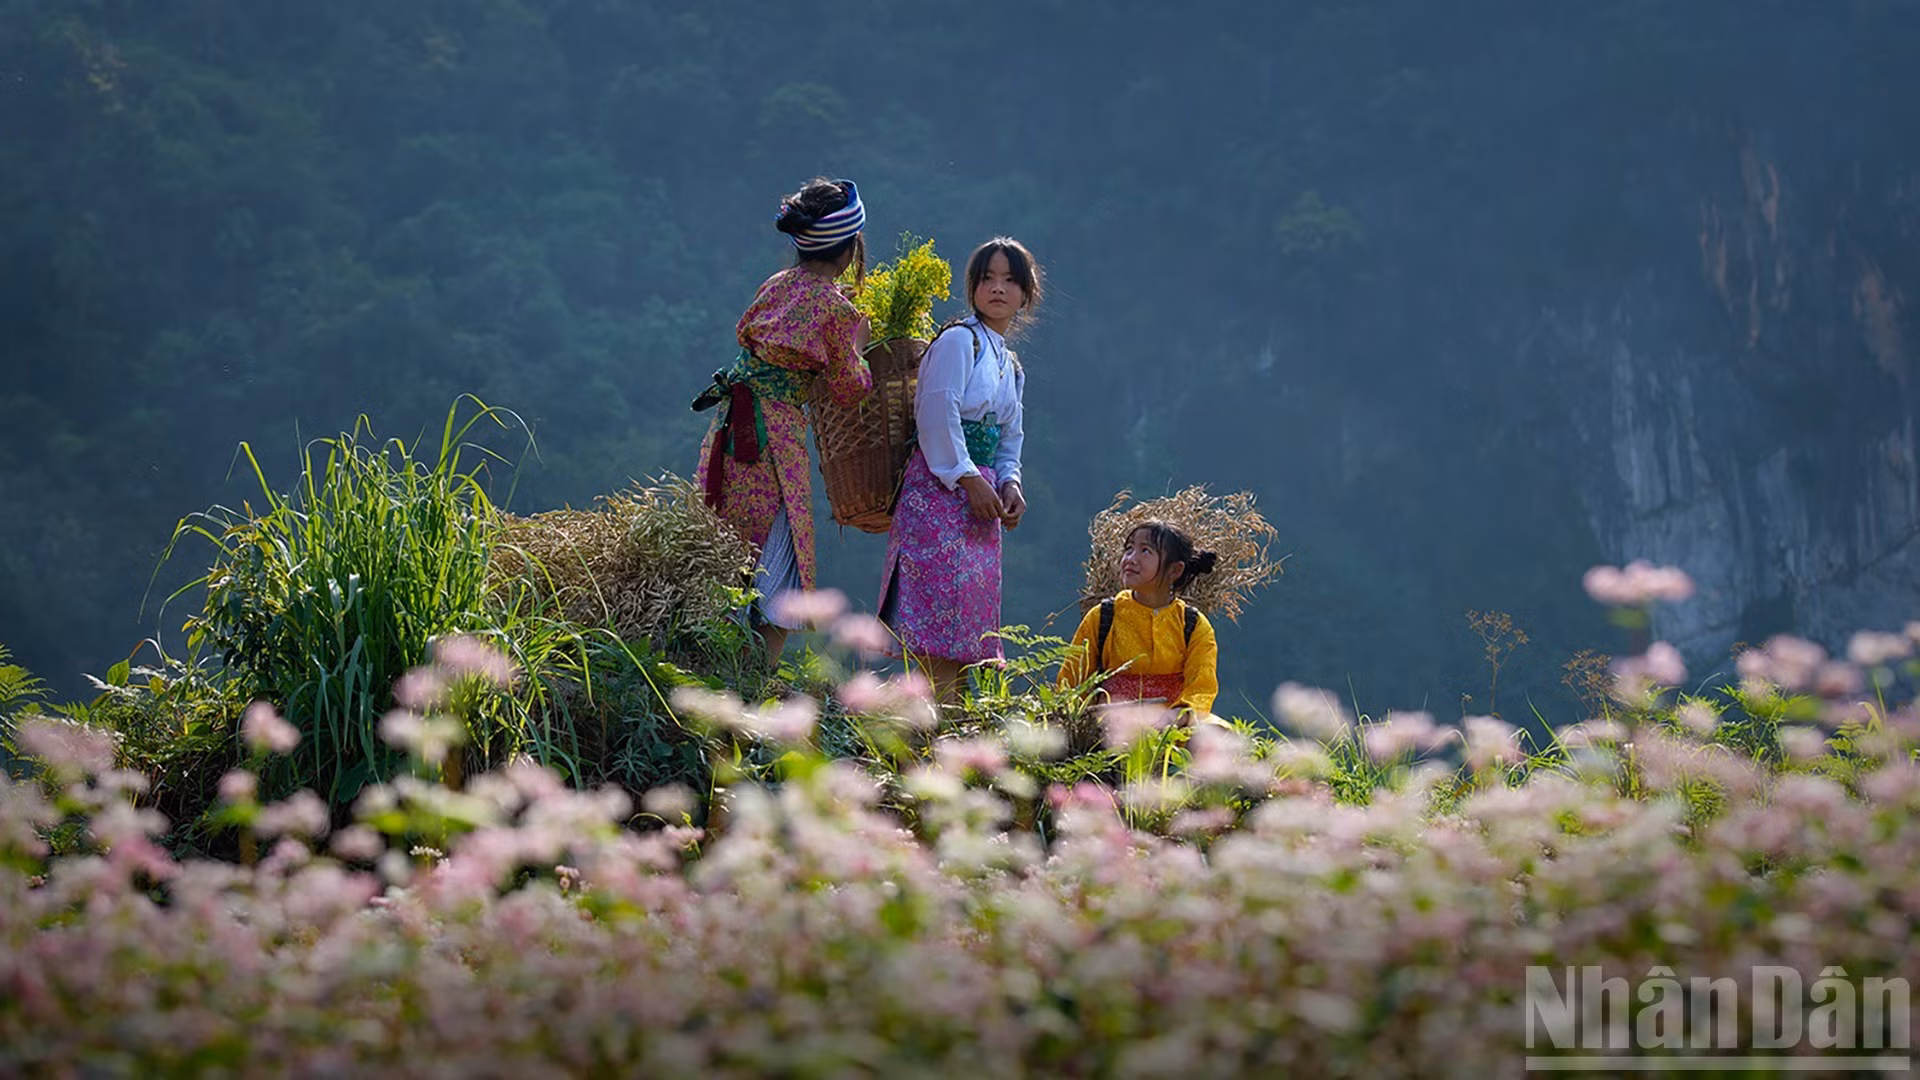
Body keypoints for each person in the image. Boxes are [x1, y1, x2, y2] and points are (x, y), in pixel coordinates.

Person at [693, 176, 872, 662]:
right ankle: (756, 684)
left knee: (724, 547)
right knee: (776, 564)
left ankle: (713, 675)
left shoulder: (774, 286)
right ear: (849, 248)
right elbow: (849, 388)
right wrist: (858, 349)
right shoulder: (836, 309)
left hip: (730, 432)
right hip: (773, 447)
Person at [877, 237, 1043, 703]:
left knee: (968, 628)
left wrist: (1009, 483)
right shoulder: (957, 341)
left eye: (1010, 280)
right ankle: (923, 726)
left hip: (981, 504)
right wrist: (967, 477)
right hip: (937, 493)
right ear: (972, 287)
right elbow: (936, 412)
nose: (997, 288)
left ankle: (949, 724)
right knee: (934, 624)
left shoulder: (1010, 364)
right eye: (987, 278)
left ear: (1025, 295)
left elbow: (1011, 435)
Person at [1057, 520, 1220, 717]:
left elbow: (1201, 688)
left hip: (1173, 727)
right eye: (1129, 549)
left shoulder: (1193, 625)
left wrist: (1178, 718)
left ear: (1175, 570)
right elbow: (1071, 683)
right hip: (1111, 727)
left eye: (1145, 551)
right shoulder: (1103, 617)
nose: (1131, 559)